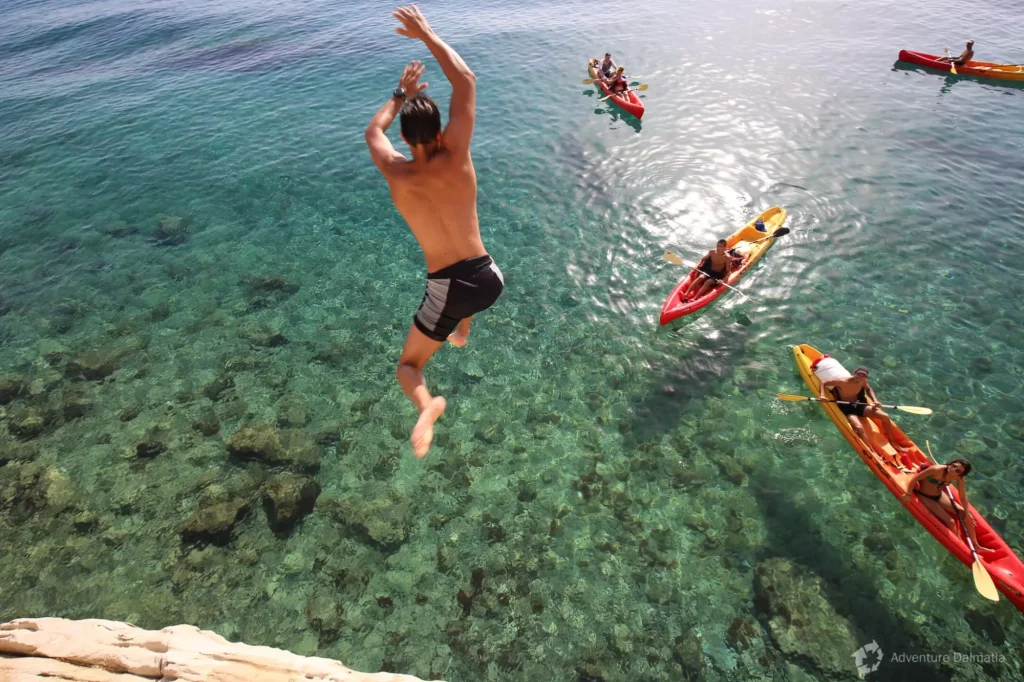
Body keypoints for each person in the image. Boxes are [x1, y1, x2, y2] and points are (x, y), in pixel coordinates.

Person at [364, 5, 504, 458]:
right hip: (490, 279)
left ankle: (426, 407)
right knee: (463, 292)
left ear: (405, 139)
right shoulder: (457, 156)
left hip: (452, 288)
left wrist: (399, 94)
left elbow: (372, 131)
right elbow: (466, 81)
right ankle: (461, 330)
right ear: (441, 131)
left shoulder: (395, 171)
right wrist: (426, 33)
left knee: (408, 366)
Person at [818, 366, 910, 467]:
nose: (860, 377)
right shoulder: (842, 381)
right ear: (854, 373)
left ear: (866, 377)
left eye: (864, 376)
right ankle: (872, 451)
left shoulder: (863, 382)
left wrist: (875, 401)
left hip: (860, 405)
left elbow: (868, 389)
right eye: (859, 374)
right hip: (847, 408)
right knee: (858, 428)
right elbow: (824, 382)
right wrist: (822, 395)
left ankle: (892, 442)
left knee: (885, 416)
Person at [902, 459, 994, 552]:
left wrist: (967, 514)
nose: (953, 469)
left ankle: (976, 545)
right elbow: (915, 478)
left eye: (958, 470)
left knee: (965, 514)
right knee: (951, 522)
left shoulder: (959, 478)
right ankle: (961, 545)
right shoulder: (936, 469)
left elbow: (963, 496)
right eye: (953, 465)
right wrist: (908, 494)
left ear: (960, 475)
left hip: (939, 495)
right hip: (925, 495)